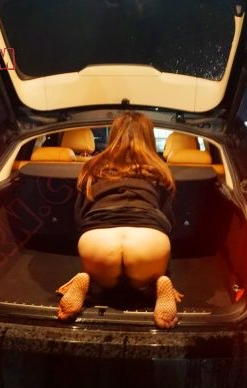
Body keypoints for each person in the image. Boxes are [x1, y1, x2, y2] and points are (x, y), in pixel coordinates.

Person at [56, 112, 184, 329]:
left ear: (113, 135)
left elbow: (80, 216)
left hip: (98, 241)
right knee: (145, 284)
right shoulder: (160, 169)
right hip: (148, 242)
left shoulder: (92, 166)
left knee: (103, 286)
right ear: (149, 137)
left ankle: (90, 284)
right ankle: (156, 287)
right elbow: (168, 219)